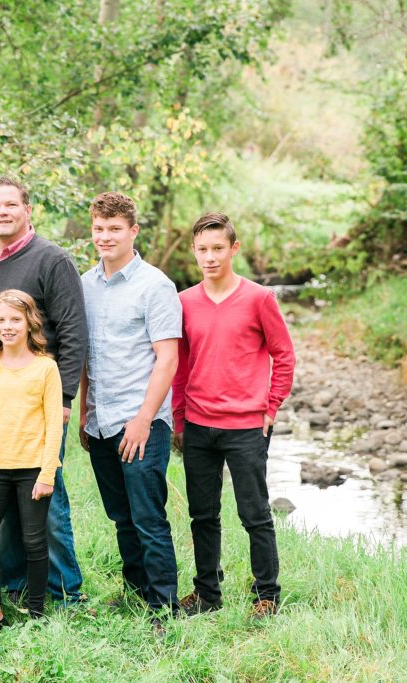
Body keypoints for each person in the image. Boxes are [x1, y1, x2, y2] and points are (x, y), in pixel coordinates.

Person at [0, 176, 88, 607]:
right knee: (7, 509)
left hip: (41, 402)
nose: (1, 212)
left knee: (45, 500)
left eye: (9, 204)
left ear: (27, 209)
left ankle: (65, 590)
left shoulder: (53, 260)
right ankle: (17, 587)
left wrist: (66, 398)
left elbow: (73, 331)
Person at [172, 212, 295, 620]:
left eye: (218, 249)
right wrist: (179, 417)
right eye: (202, 249)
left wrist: (271, 407)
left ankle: (268, 595)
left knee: (255, 514)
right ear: (194, 251)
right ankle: (207, 593)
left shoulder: (260, 298)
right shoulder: (185, 301)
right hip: (200, 424)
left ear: (233, 249)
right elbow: (181, 363)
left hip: (246, 426)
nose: (210, 257)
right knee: (202, 514)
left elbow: (284, 355)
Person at [78, 192, 182, 624]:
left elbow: (168, 357)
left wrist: (143, 420)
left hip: (140, 421)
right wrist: (84, 411)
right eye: (99, 229)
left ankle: (164, 605)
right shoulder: (84, 284)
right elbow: (83, 354)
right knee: (121, 516)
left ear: (133, 232)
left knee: (148, 517)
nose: (106, 236)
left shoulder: (155, 285)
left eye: (114, 229)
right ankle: (136, 592)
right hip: (100, 419)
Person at [0, 290, 63, 629]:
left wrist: (47, 472)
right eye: (2, 319)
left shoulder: (46, 368)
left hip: (33, 468)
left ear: (29, 323)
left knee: (34, 540)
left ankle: (36, 613)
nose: (8, 326)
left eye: (15, 320)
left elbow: (54, 425)